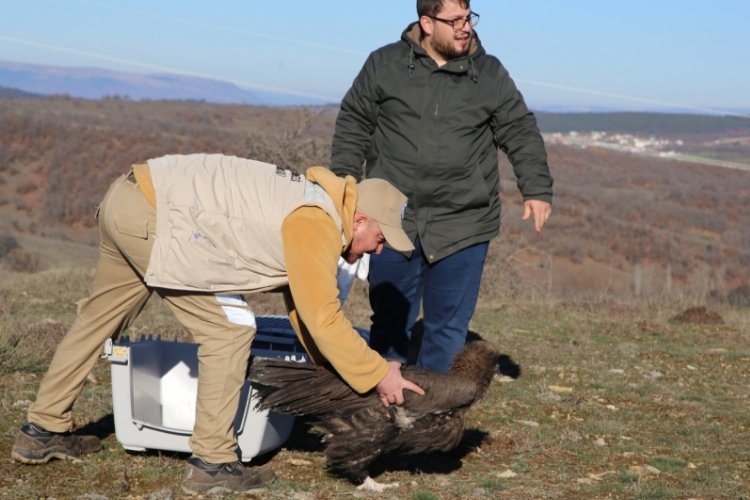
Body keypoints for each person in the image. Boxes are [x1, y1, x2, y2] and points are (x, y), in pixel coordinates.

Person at [11, 153, 424, 495]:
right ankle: (212, 462)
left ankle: (42, 428)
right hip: (160, 219)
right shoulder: (316, 220)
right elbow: (322, 315)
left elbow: (303, 303)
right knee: (230, 332)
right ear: (359, 220)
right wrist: (377, 374)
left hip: (131, 198)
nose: (379, 248)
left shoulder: (316, 205)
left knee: (99, 319)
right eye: (381, 238)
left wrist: (324, 366)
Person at [330, 0, 554, 373]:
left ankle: (433, 418)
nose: (465, 27)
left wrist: (537, 188)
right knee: (389, 326)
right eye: (455, 21)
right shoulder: (385, 64)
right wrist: (343, 190)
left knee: (448, 330)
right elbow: (353, 123)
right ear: (427, 23)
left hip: (463, 222)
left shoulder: (489, 73)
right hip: (393, 221)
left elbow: (519, 129)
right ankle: (384, 412)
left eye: (469, 18)